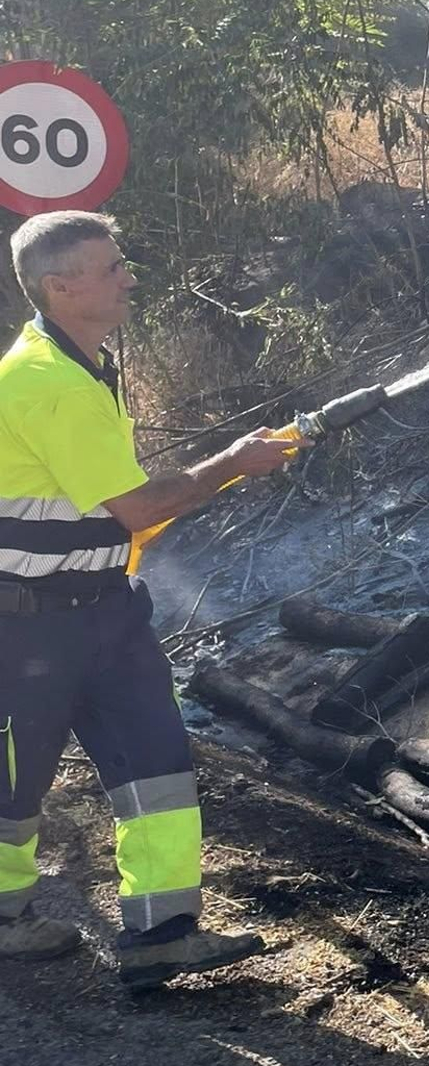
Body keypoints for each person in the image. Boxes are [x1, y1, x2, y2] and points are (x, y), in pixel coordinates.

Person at [0, 209, 297, 988]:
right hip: (26, 626)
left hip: (104, 612)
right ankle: (5, 918)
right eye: (111, 267)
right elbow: (135, 506)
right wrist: (235, 461)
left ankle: (162, 931)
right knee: (14, 780)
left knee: (157, 767)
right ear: (61, 287)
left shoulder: (81, 364)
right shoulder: (45, 382)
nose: (128, 276)